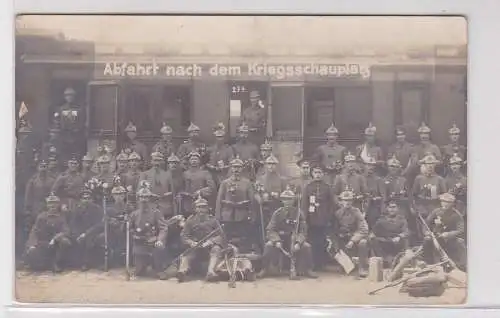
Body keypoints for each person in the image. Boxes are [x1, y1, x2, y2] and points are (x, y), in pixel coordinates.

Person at [258, 186, 317, 280]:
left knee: (306, 246)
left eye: (290, 199)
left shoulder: (299, 213)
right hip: (280, 239)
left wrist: (298, 242)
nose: (288, 202)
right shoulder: (277, 213)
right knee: (268, 245)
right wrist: (276, 240)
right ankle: (264, 268)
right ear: (282, 200)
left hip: (294, 239)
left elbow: (303, 231)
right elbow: (270, 229)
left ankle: (309, 269)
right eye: (285, 199)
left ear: (293, 200)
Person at [177, 195, 224, 282]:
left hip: (209, 247)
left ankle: (211, 272)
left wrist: (211, 242)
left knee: (217, 249)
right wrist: (191, 242)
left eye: (203, 207)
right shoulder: (190, 220)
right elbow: (183, 235)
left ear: (207, 209)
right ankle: (182, 272)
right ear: (195, 209)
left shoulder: (213, 220)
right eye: (199, 207)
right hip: (195, 246)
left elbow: (220, 235)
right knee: (187, 252)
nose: (201, 210)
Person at [215, 156, 255, 252]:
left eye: (239, 167)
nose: (236, 169)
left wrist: (252, 215)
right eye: (234, 167)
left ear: (242, 168)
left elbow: (252, 200)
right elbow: (219, 199)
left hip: (242, 215)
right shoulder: (225, 183)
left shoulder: (247, 183)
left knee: (243, 238)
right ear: (231, 168)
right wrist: (218, 216)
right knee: (226, 238)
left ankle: (242, 256)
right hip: (227, 215)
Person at [129, 185, 169, 279]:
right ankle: (142, 266)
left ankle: (159, 269)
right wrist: (133, 233)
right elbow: (129, 229)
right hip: (139, 242)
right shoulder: (134, 214)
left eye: (146, 197)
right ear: (138, 198)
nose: (144, 199)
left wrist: (159, 239)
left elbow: (163, 228)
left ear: (149, 198)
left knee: (159, 248)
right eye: (142, 197)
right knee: (139, 272)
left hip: (153, 241)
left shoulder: (156, 212)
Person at [24, 193, 71, 272]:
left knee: (65, 242)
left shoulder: (61, 217)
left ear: (58, 205)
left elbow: (66, 231)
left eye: (54, 203)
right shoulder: (41, 216)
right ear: (47, 205)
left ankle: (56, 263)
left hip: (55, 243)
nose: (52, 206)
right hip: (43, 242)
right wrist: (32, 244)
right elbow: (34, 231)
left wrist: (55, 238)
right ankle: (38, 264)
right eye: (50, 203)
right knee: (33, 254)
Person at [329, 187, 370, 277]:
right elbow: (333, 231)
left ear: (352, 201)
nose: (347, 202)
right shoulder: (337, 213)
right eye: (345, 200)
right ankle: (346, 264)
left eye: (349, 200)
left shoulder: (356, 212)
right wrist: (335, 243)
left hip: (354, 238)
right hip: (343, 238)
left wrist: (353, 240)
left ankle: (362, 267)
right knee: (332, 246)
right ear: (341, 201)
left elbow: (364, 229)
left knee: (363, 243)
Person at [301, 165, 335, 271]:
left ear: (323, 174)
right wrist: (304, 219)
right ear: (312, 174)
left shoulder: (327, 187)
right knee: (312, 241)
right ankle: (312, 264)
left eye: (320, 172)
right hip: (311, 219)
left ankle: (322, 264)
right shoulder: (308, 187)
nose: (317, 175)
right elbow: (304, 204)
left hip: (323, 219)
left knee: (322, 241)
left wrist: (329, 217)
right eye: (315, 172)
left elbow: (332, 204)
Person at [423, 193, 466, 271]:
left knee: (460, 243)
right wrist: (427, 232)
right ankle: (427, 262)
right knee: (427, 240)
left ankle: (461, 265)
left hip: (449, 239)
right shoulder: (436, 211)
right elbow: (426, 223)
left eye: (448, 202)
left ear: (452, 204)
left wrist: (448, 234)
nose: (445, 204)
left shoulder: (456, 215)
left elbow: (460, 230)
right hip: (436, 236)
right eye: (443, 201)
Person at [411, 153, 447, 242]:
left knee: (435, 229)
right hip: (422, 207)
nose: (430, 166)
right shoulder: (419, 178)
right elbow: (414, 194)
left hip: (435, 207)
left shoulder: (439, 179)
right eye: (428, 164)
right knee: (422, 230)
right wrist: (414, 207)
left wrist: (437, 197)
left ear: (435, 165)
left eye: (432, 164)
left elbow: (444, 195)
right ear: (424, 165)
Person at [67, 188, 104, 271]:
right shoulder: (77, 209)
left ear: (92, 199)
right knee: (77, 240)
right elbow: (73, 224)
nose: (86, 200)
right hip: (80, 233)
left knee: (90, 239)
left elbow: (99, 224)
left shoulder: (97, 209)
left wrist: (86, 233)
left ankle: (88, 263)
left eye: (88, 198)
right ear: (81, 200)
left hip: (94, 231)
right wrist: (77, 234)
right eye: (84, 198)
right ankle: (78, 263)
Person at [255, 154, 287, 237]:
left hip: (277, 207)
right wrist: (260, 199)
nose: (271, 166)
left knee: (276, 228)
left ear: (276, 166)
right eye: (269, 164)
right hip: (264, 208)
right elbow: (255, 193)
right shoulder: (260, 179)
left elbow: (286, 194)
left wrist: (279, 195)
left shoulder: (282, 180)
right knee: (263, 229)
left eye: (273, 164)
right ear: (266, 165)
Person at [370, 201, 410, 266]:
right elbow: (373, 231)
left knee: (405, 239)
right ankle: (384, 260)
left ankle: (402, 259)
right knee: (373, 240)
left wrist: (399, 236)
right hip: (386, 243)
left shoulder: (402, 219)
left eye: (394, 207)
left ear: (397, 208)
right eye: (390, 207)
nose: (392, 209)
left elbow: (406, 232)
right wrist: (372, 235)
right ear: (387, 208)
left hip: (397, 243)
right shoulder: (381, 220)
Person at [56, 87, 86, 161]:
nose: (69, 97)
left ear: (74, 97)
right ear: (65, 97)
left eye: (71, 95)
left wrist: (78, 129)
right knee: (65, 154)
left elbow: (82, 121)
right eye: (67, 95)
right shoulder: (61, 109)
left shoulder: (79, 108)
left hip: (76, 136)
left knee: (77, 154)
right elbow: (58, 121)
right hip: (64, 136)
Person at [24, 159, 56, 228]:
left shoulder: (52, 180)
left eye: (44, 166)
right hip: (36, 206)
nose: (43, 168)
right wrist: (28, 209)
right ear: (38, 168)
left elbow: (54, 194)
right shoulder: (33, 180)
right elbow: (28, 196)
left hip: (48, 206)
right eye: (41, 166)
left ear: (47, 167)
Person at [182, 151, 216, 216]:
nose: (194, 161)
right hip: (187, 203)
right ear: (189, 161)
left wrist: (200, 192)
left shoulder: (205, 173)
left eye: (196, 159)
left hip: (202, 202)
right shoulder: (184, 174)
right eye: (192, 159)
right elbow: (180, 187)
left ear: (199, 161)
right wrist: (184, 193)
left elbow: (212, 187)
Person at [362, 156, 386, 229]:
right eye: (368, 165)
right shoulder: (359, 178)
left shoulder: (378, 180)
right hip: (360, 207)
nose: (370, 167)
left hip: (373, 208)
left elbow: (383, 197)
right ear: (364, 166)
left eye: (372, 165)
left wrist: (382, 212)